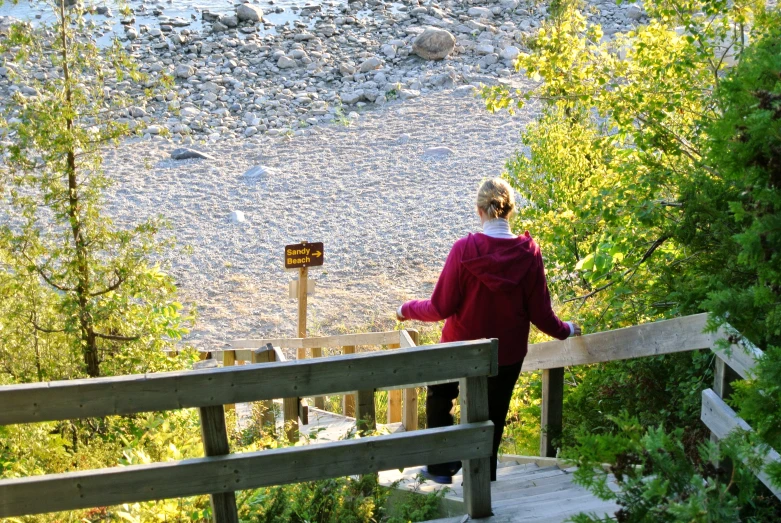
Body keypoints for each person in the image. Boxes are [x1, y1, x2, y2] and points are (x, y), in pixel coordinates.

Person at [396, 177, 581, 484]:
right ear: (510, 211)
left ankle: (442, 465)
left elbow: (440, 308)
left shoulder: (464, 250)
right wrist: (568, 330)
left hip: (460, 348)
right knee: (493, 415)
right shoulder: (529, 253)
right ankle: (483, 478)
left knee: (440, 395)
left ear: (479, 210)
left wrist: (406, 309)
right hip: (505, 354)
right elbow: (541, 315)